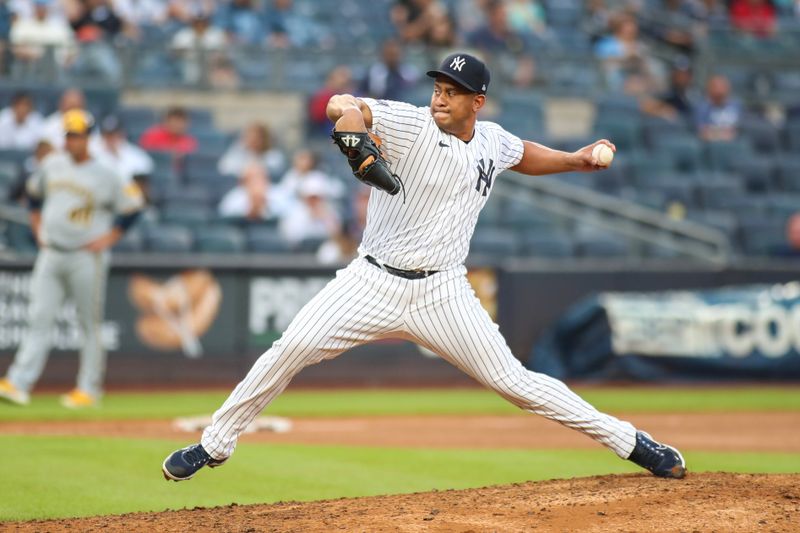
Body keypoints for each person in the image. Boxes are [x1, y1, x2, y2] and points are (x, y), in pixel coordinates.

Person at [162, 52, 686, 482]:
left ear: (476, 102)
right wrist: (351, 135)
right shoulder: (411, 122)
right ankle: (215, 443)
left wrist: (576, 158)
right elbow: (344, 105)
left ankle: (630, 441)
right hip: (371, 281)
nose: (440, 95)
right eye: (438, 85)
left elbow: (521, 153)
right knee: (292, 347)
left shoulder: (490, 138)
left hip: (443, 293)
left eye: (453, 90)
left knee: (516, 383)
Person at [0, 109, 144, 408]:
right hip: (52, 252)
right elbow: (33, 195)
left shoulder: (107, 173)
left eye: (77, 135)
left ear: (89, 138)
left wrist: (109, 238)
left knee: (88, 323)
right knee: (38, 317)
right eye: (68, 135)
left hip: (86, 257)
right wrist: (37, 225)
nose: (72, 141)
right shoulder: (52, 164)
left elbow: (133, 208)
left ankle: (89, 388)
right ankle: (18, 382)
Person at [277, 174, 341, 247]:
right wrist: (309, 217)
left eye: (317, 198)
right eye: (311, 198)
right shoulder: (294, 213)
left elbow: (337, 237)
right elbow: (290, 237)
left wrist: (326, 218)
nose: (314, 201)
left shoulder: (330, 212)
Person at [90, 114, 154, 182]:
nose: (111, 138)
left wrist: (117, 156)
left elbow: (147, 167)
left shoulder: (133, 153)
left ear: (122, 134)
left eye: (114, 134)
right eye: (107, 135)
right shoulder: (93, 149)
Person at [217, 122, 287, 180]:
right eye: (249, 137)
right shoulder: (239, 151)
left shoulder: (273, 155)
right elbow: (224, 168)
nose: (252, 141)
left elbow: (274, 169)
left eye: (256, 138)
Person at [695, 74, 741, 142]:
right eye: (715, 86)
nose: (718, 90)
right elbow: (702, 132)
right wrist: (723, 134)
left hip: (734, 145)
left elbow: (740, 130)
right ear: (709, 89)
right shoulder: (701, 109)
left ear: (728, 89)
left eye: (722, 86)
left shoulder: (737, 106)